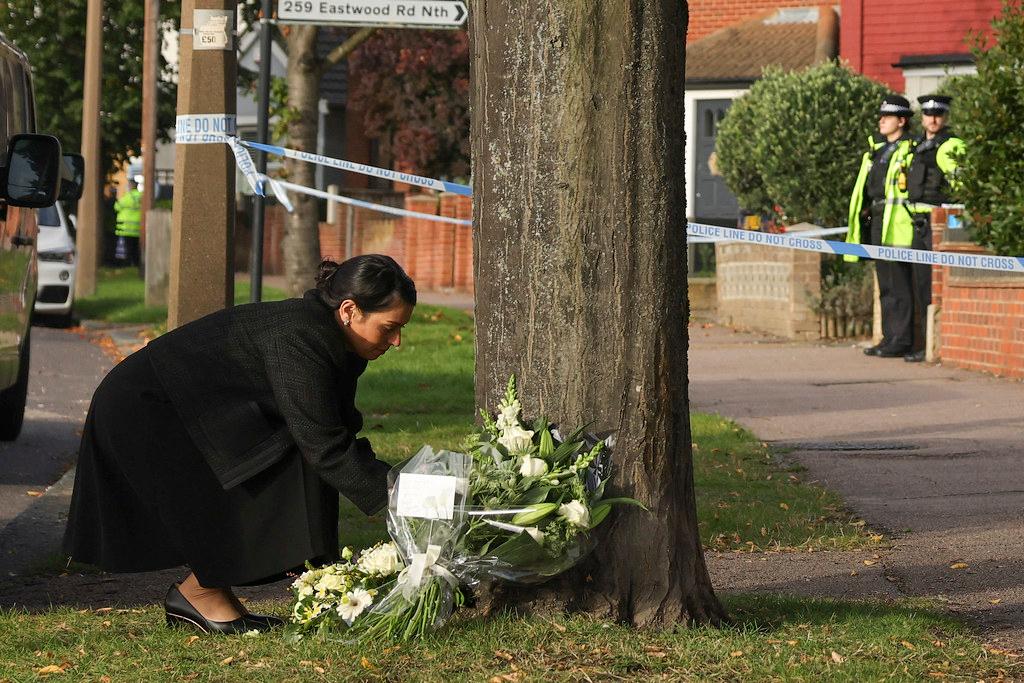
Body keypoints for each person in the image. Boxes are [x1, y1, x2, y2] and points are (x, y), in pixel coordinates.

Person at [63, 254, 416, 634]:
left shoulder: (334, 337)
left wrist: (406, 487)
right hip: (147, 409)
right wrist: (413, 498)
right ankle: (201, 594)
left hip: (193, 409)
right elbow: (325, 446)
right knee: (281, 468)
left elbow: (336, 431)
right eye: (390, 327)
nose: (396, 341)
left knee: (293, 459)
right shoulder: (301, 336)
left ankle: (203, 595)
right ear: (349, 310)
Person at [845, 95, 916, 358]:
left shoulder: (909, 149)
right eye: (881, 116)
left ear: (902, 121)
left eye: (888, 116)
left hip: (897, 223)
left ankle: (902, 339)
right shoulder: (877, 150)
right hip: (877, 219)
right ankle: (888, 337)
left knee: (899, 284)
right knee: (885, 283)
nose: (881, 121)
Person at [903, 94, 965, 362]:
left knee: (932, 282)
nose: (933, 119)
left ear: (945, 116)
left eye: (938, 114)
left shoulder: (951, 144)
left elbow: (962, 184)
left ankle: (934, 345)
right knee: (921, 283)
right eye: (928, 114)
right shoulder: (918, 145)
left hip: (937, 222)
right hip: (917, 221)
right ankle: (924, 343)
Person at [113, 176, 143, 266]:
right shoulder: (141, 196)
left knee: (127, 248)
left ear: (130, 186)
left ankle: (128, 264)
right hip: (137, 228)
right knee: (135, 248)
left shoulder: (127, 196)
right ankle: (136, 264)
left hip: (126, 228)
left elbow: (117, 206)